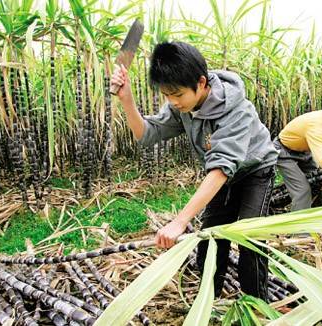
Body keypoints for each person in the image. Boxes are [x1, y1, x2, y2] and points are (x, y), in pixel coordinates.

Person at [110, 41, 278, 300]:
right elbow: (147, 134)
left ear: (201, 83)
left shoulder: (236, 110)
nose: (173, 102)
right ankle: (206, 302)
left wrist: (179, 221)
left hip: (256, 171)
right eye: (167, 95)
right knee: (209, 240)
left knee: (250, 240)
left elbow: (221, 168)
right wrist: (127, 101)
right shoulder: (182, 106)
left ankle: (256, 306)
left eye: (177, 95)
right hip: (223, 175)